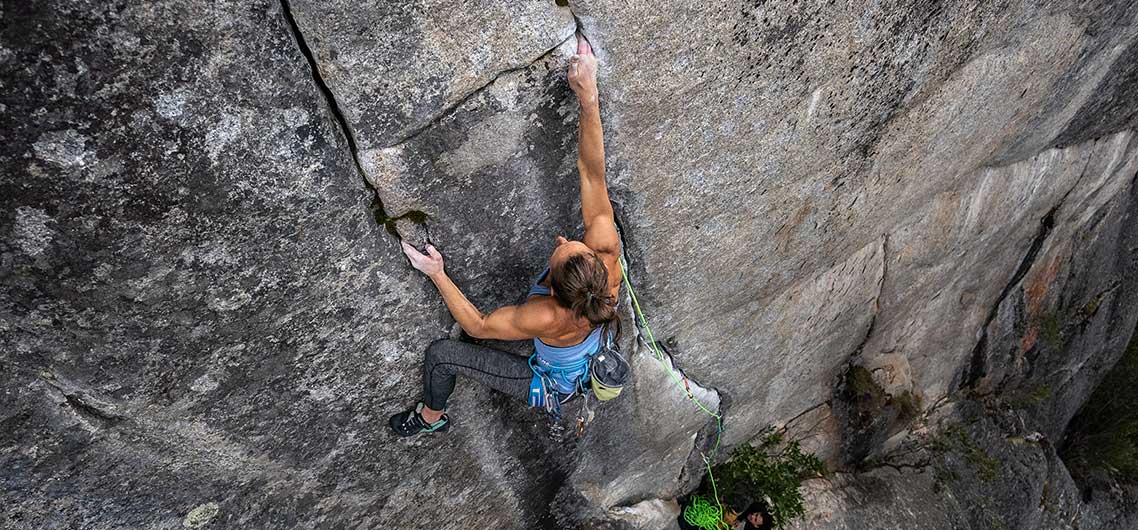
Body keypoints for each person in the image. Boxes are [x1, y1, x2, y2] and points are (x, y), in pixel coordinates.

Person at [389, 34, 622, 437]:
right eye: (571, 246)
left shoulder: (544, 315)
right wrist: (588, 95)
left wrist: (437, 272)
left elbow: (478, 326)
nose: (563, 240)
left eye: (561, 252)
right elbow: (591, 173)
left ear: (552, 293)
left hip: (553, 385)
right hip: (587, 352)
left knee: (441, 356)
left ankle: (430, 418)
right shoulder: (606, 256)